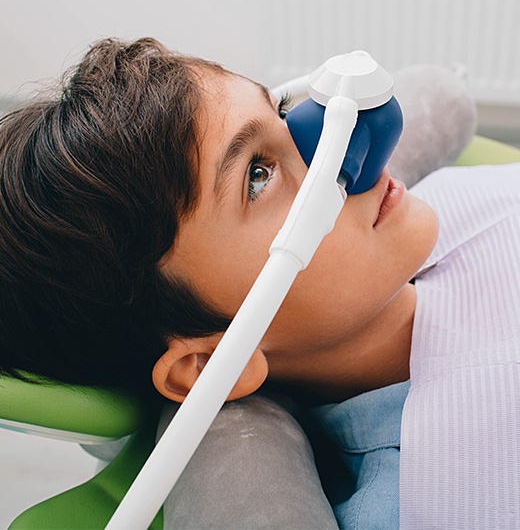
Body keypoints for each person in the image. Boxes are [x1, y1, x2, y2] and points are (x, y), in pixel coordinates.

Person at [1, 37, 518, 529]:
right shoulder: (438, 493)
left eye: (283, 113)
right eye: (257, 175)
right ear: (207, 365)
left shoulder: (446, 202)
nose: (333, 149)